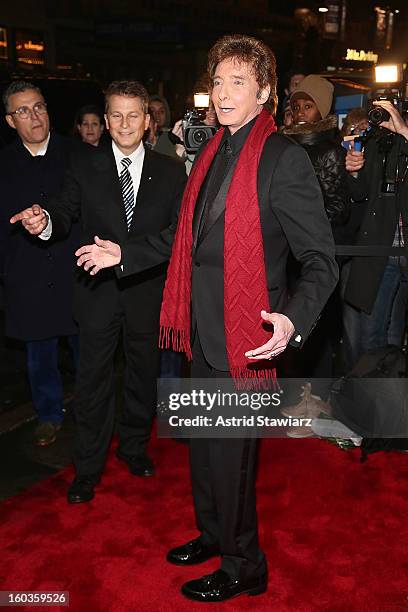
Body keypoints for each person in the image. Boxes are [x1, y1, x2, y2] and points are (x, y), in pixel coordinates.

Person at [72, 35, 338, 602]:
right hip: (201, 329)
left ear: (264, 91)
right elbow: (184, 237)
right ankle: (214, 535)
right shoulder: (215, 149)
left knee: (232, 459)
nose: (222, 92)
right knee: (204, 450)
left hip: (247, 334)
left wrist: (292, 319)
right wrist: (126, 254)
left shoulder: (282, 157)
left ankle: (246, 565)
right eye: (217, 81)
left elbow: (320, 260)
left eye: (237, 82)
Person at [10, 80, 187, 503]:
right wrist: (44, 221)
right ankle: (87, 468)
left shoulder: (170, 170)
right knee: (92, 383)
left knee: (142, 377)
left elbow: (178, 233)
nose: (125, 124)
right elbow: (65, 210)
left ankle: (132, 449)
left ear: (148, 121)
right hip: (96, 292)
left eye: (134, 115)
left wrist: (126, 255)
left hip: (146, 291)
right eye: (116, 115)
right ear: (106, 122)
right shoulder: (83, 165)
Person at [0, 80, 80, 447]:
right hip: (28, 278)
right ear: (10, 121)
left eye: (39, 106)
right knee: (40, 356)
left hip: (78, 274)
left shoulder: (78, 155)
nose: (34, 116)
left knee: (88, 351)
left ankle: (92, 412)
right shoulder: (4, 165)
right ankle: (49, 414)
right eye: (23, 111)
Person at [280, 75, 350, 435]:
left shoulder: (329, 149)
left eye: (308, 105)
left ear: (322, 109)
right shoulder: (283, 145)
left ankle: (315, 399)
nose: (301, 112)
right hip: (285, 253)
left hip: (317, 252)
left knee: (316, 323)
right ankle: (296, 396)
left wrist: (300, 213)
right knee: (290, 323)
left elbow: (339, 207)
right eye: (296, 105)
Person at [344, 100, 408, 361]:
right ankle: (377, 397)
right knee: (372, 334)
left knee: (396, 333)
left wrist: (404, 132)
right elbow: (359, 194)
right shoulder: (377, 142)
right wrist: (354, 170)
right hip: (382, 249)